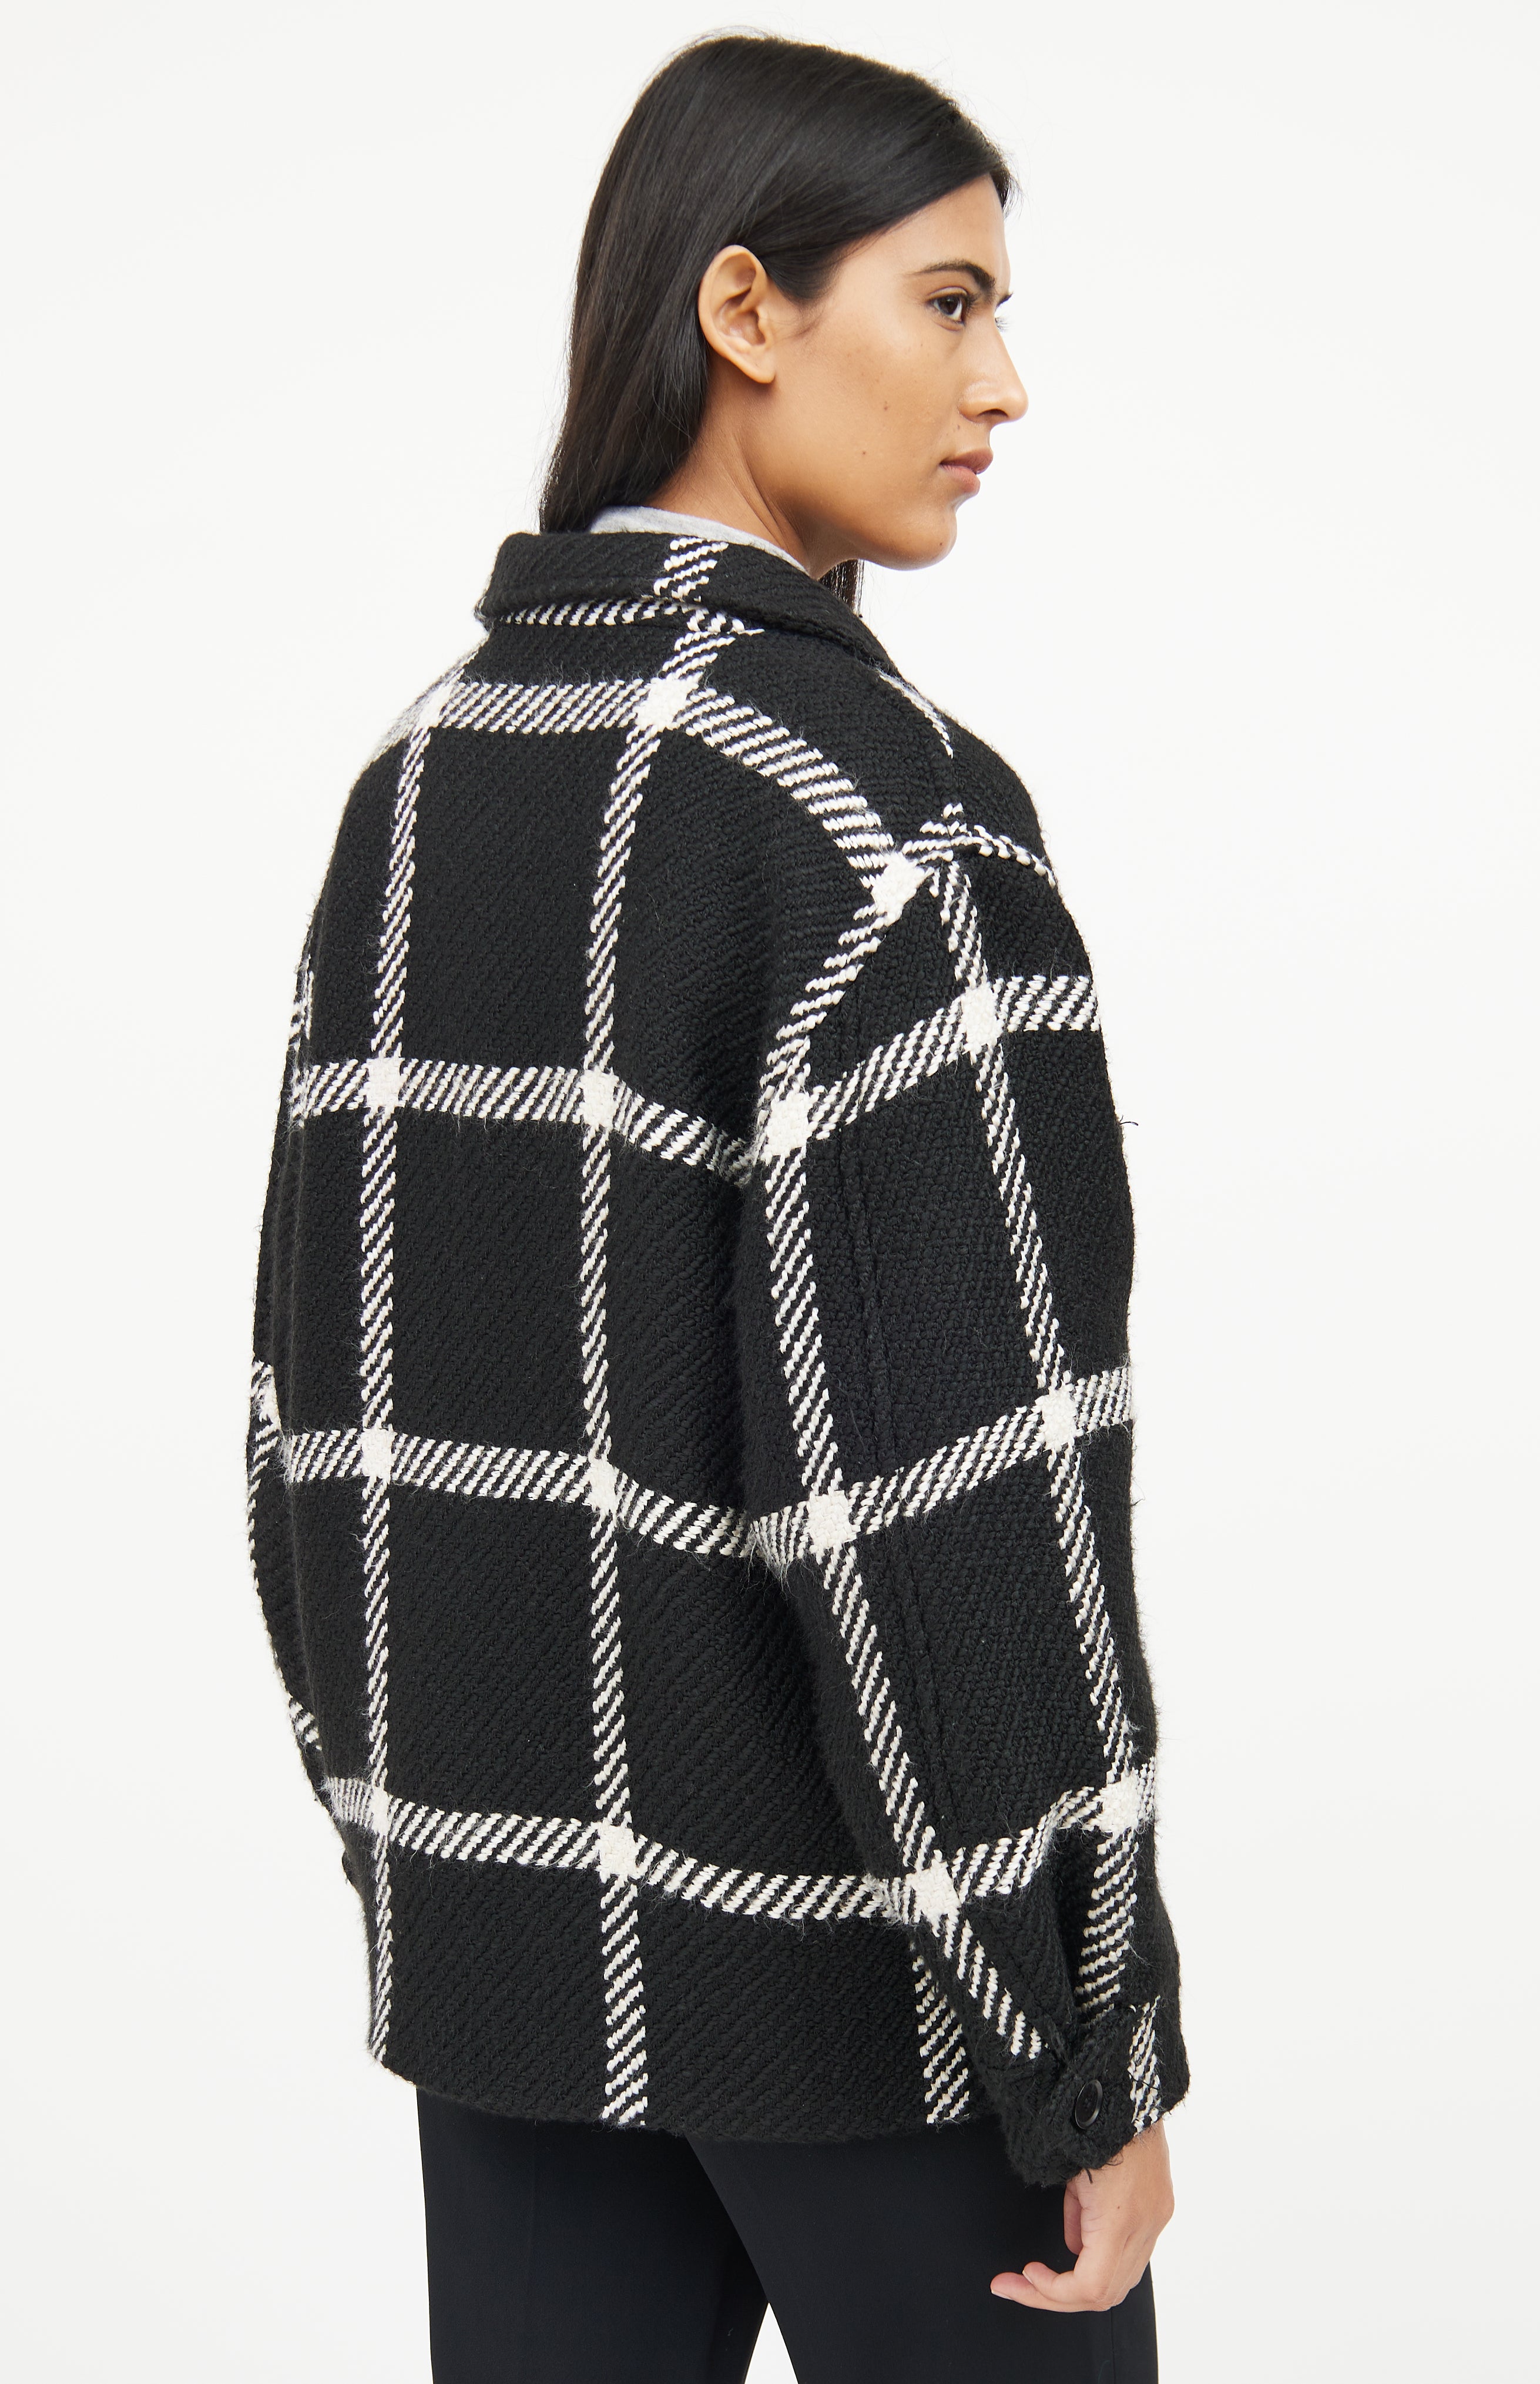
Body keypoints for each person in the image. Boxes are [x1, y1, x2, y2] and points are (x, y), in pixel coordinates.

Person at [246, 32, 1187, 2383]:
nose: (1002, 384)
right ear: (744, 309)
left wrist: (426, 1858)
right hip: (870, 1993)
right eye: (948, 303)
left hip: (505, 1969)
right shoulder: (881, 819)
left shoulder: (417, 783)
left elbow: (306, 1435)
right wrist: (1086, 2031)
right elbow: (959, 1505)